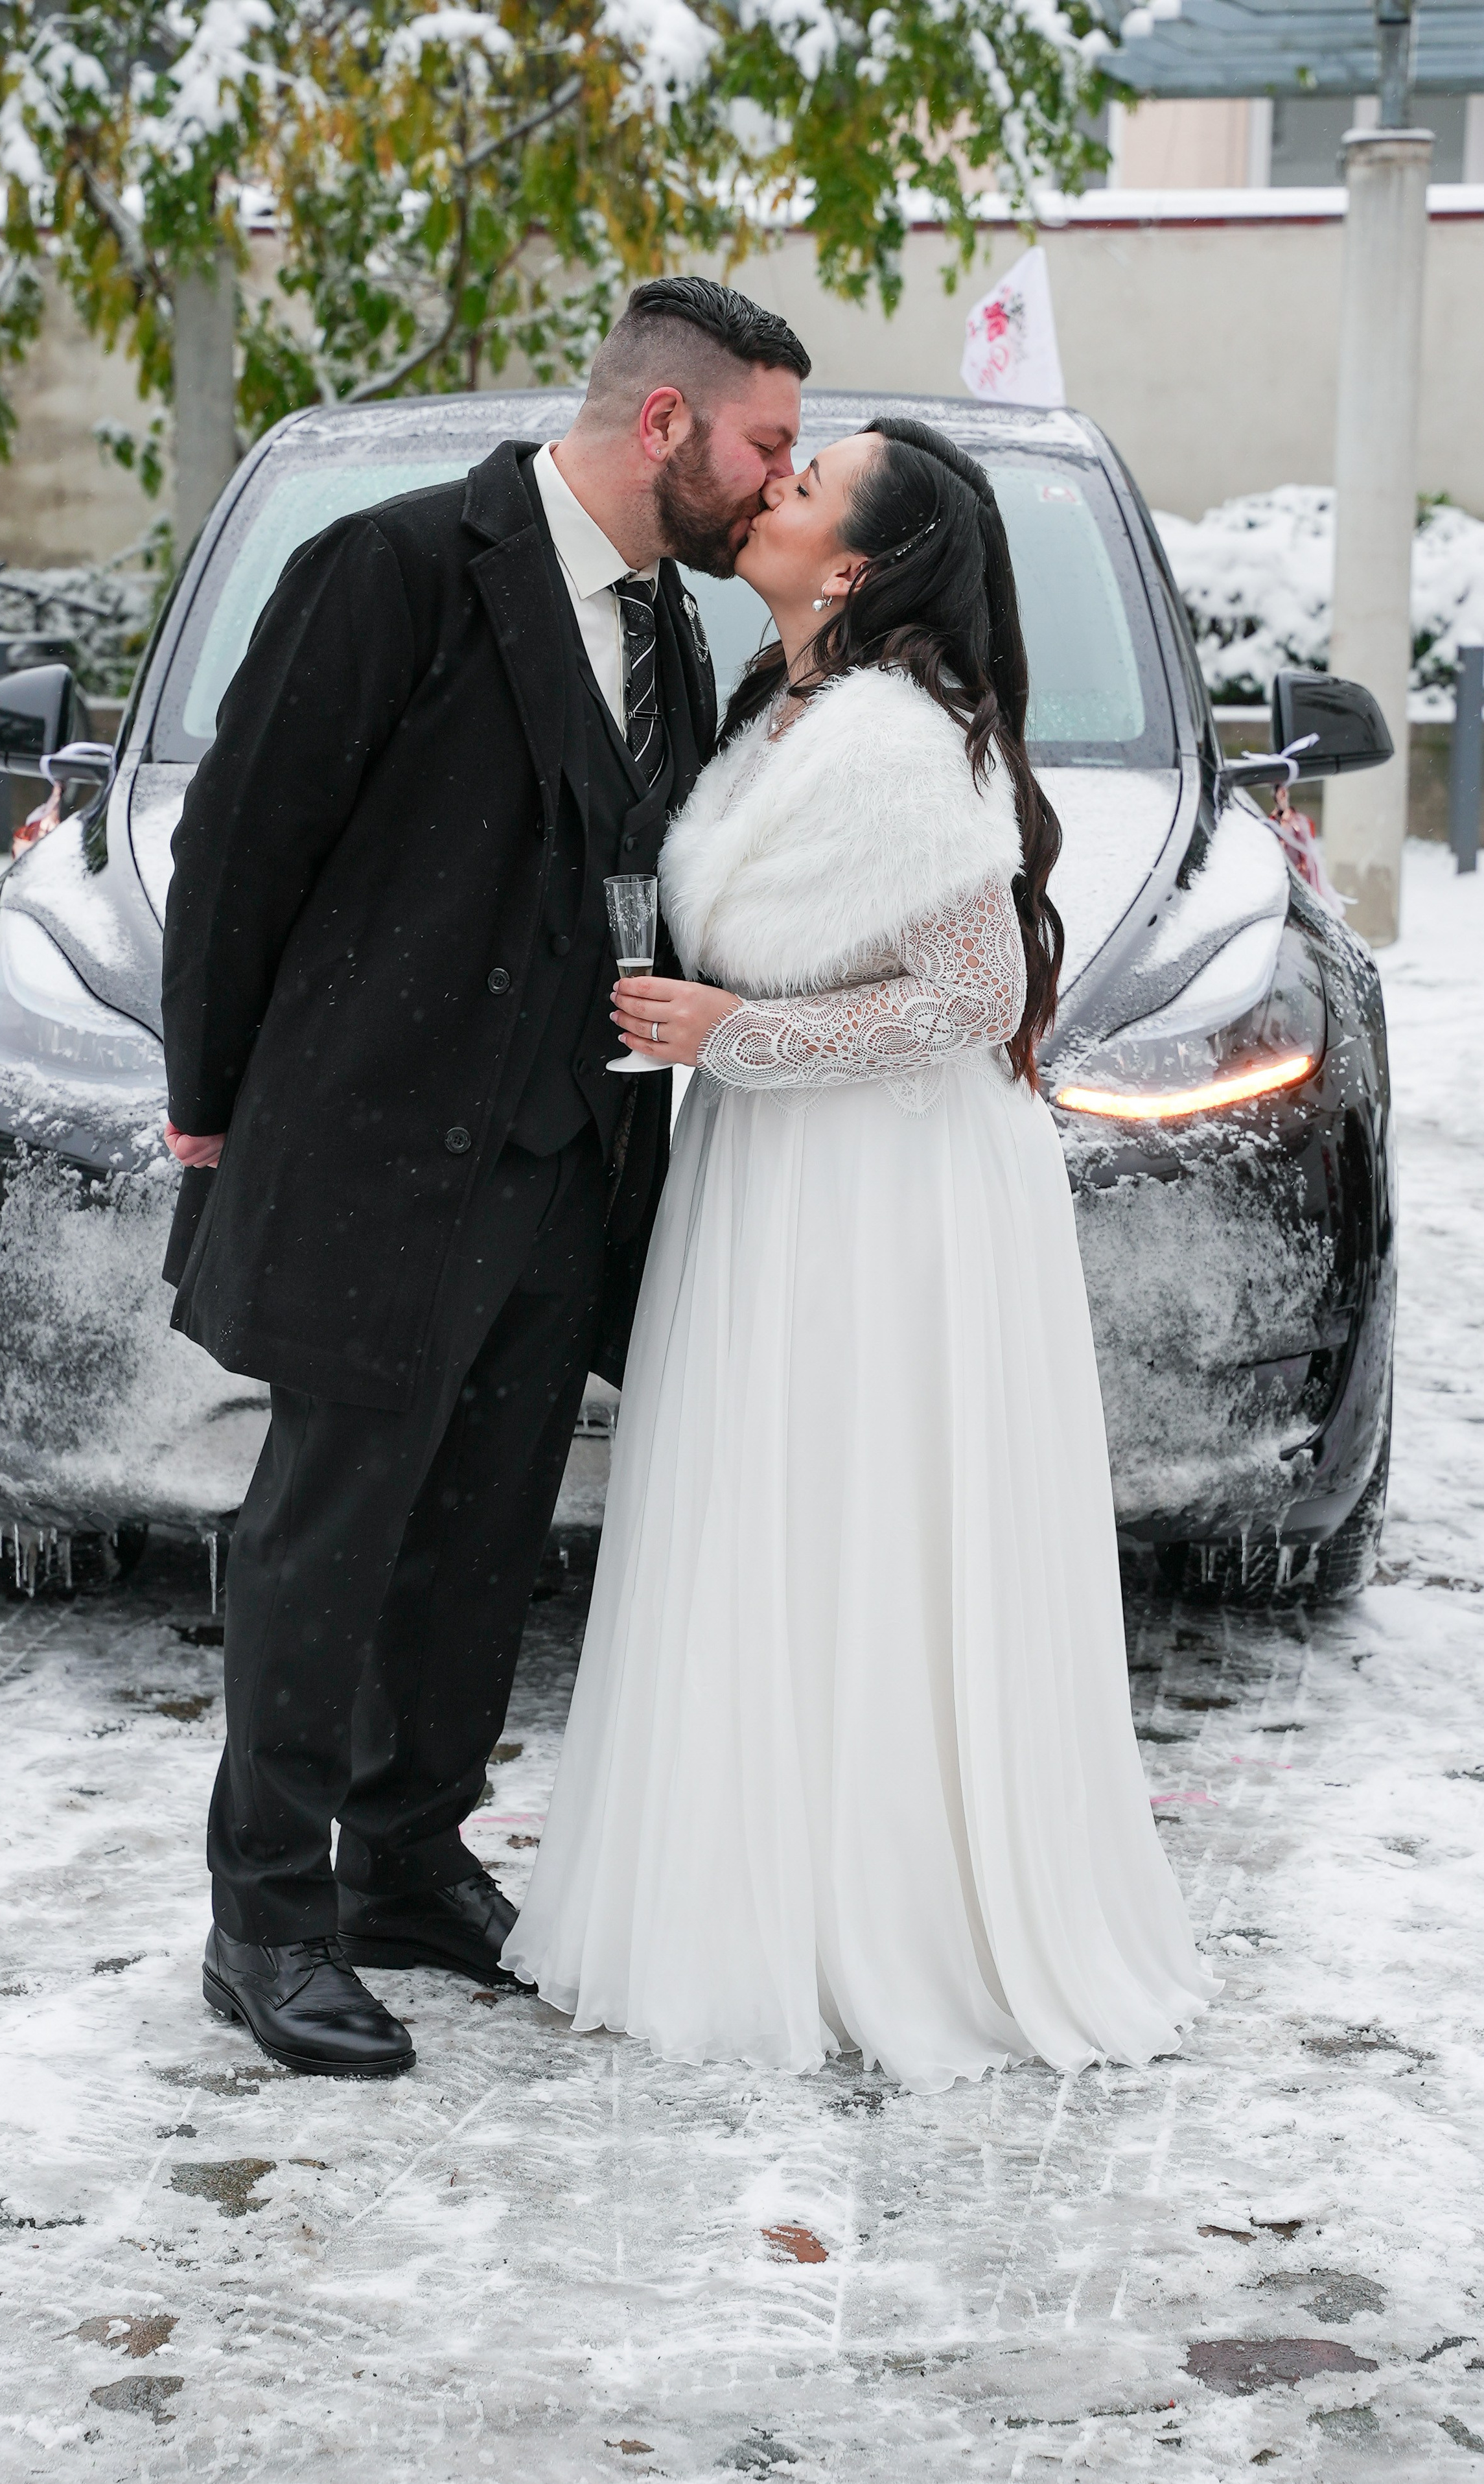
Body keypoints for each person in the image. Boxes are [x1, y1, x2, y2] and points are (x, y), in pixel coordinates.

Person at [502, 418, 1220, 2089]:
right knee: (774, 1523)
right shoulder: (784, 704)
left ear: (857, 567)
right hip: (781, 1175)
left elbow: (970, 1002)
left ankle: (881, 1918)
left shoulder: (908, 736)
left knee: (865, 1530)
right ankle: (761, 1890)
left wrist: (731, 1033)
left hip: (886, 1197)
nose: (776, 487)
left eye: (809, 485)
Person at [159, 279, 809, 2078]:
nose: (783, 479)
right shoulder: (395, 571)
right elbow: (239, 845)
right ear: (665, 423)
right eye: (767, 442)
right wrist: (211, 1102)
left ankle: (410, 1864)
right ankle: (268, 1921)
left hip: (563, 1167)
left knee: (484, 1539)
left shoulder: (673, 625)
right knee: (325, 1541)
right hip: (376, 1154)